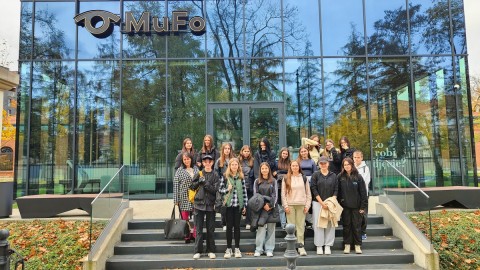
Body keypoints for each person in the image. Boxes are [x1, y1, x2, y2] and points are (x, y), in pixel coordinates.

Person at [190, 155, 221, 260]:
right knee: (198, 229)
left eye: (209, 161)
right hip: (199, 205)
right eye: (205, 161)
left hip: (211, 205)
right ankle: (197, 251)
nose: (207, 163)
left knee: (210, 229)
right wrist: (199, 181)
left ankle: (211, 250)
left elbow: (215, 190)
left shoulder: (216, 175)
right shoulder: (198, 173)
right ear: (203, 163)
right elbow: (192, 186)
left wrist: (205, 183)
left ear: (212, 163)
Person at [218, 158, 248, 259]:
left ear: (238, 166)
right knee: (229, 227)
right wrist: (227, 189)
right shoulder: (225, 177)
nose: (234, 166)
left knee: (237, 227)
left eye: (236, 165)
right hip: (229, 206)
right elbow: (220, 190)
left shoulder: (241, 177)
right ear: (229, 166)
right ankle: (228, 248)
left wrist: (245, 205)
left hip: (238, 206)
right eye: (232, 165)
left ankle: (237, 249)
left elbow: (244, 192)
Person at [337, 157, 368, 254]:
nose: (346, 166)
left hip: (357, 207)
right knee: (346, 226)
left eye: (348, 164)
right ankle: (347, 245)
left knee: (356, 226)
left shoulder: (358, 177)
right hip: (345, 207)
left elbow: (363, 193)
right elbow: (338, 192)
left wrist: (363, 207)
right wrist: (340, 203)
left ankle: (357, 246)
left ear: (352, 165)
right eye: (344, 165)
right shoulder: (340, 177)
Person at [281, 160, 311, 256]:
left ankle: (301, 247)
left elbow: (308, 193)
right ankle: (292, 247)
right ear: (290, 167)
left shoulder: (304, 178)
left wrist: (307, 205)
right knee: (291, 227)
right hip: (290, 205)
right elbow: (283, 194)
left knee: (301, 226)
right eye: (293, 166)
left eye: (296, 166)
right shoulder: (286, 178)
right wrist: (285, 205)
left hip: (301, 205)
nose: (295, 167)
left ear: (299, 167)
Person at [310, 156, 338, 255]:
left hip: (330, 203)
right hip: (318, 203)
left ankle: (327, 245)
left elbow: (336, 189)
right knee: (318, 224)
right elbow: (313, 189)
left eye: (325, 163)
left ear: (328, 164)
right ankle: (319, 245)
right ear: (318, 164)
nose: (323, 165)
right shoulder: (315, 175)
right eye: (321, 163)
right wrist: (322, 202)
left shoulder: (333, 175)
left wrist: (331, 201)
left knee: (330, 224)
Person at [173, 152, 199, 243]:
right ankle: (187, 235)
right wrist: (176, 200)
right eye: (184, 159)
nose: (186, 161)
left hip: (195, 197)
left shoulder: (196, 169)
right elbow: (176, 185)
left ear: (191, 159)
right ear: (182, 160)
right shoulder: (179, 170)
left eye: (188, 159)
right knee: (185, 218)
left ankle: (195, 235)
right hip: (184, 197)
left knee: (196, 217)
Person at [253, 162, 277, 257]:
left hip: (271, 208)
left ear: (269, 169)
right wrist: (263, 205)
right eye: (262, 168)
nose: (264, 170)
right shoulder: (257, 181)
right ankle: (259, 249)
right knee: (261, 229)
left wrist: (270, 205)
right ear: (260, 170)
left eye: (266, 168)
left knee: (271, 229)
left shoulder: (274, 181)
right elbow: (256, 195)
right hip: (261, 208)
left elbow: (275, 195)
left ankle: (269, 249)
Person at [214, 142, 235, 231]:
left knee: (233, 204)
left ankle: (232, 223)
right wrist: (221, 178)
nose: (227, 150)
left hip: (233, 184)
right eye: (225, 148)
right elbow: (215, 173)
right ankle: (224, 223)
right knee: (224, 204)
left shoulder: (234, 159)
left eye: (228, 148)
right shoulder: (219, 161)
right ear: (223, 150)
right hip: (223, 185)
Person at [353, 150, 371, 240]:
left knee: (363, 214)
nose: (356, 159)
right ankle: (356, 232)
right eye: (355, 157)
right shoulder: (351, 167)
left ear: (362, 158)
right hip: (353, 195)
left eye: (358, 157)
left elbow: (365, 181)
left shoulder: (365, 168)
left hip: (363, 195)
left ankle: (363, 232)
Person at [239, 145, 255, 230]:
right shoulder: (238, 160)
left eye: (248, 151)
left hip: (250, 184)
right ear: (242, 151)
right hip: (240, 184)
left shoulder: (253, 160)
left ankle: (248, 222)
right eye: (245, 151)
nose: (246, 153)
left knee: (249, 204)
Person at [276, 147, 291, 229]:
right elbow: (274, 173)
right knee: (281, 207)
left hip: (288, 186)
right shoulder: (276, 162)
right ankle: (283, 224)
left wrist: (279, 173)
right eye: (283, 153)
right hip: (279, 187)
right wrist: (281, 172)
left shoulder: (290, 163)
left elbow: (290, 172)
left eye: (286, 154)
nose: (284, 155)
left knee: (288, 206)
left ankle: (290, 223)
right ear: (280, 154)